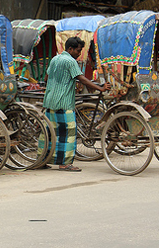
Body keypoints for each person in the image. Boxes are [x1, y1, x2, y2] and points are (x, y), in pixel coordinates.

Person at [42, 36, 111, 171]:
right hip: (64, 103)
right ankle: (65, 163)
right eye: (78, 51)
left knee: (50, 133)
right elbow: (82, 79)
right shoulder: (70, 61)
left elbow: (46, 78)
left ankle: (43, 160)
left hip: (50, 101)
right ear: (70, 49)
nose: (79, 54)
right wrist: (101, 88)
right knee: (68, 133)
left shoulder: (55, 59)